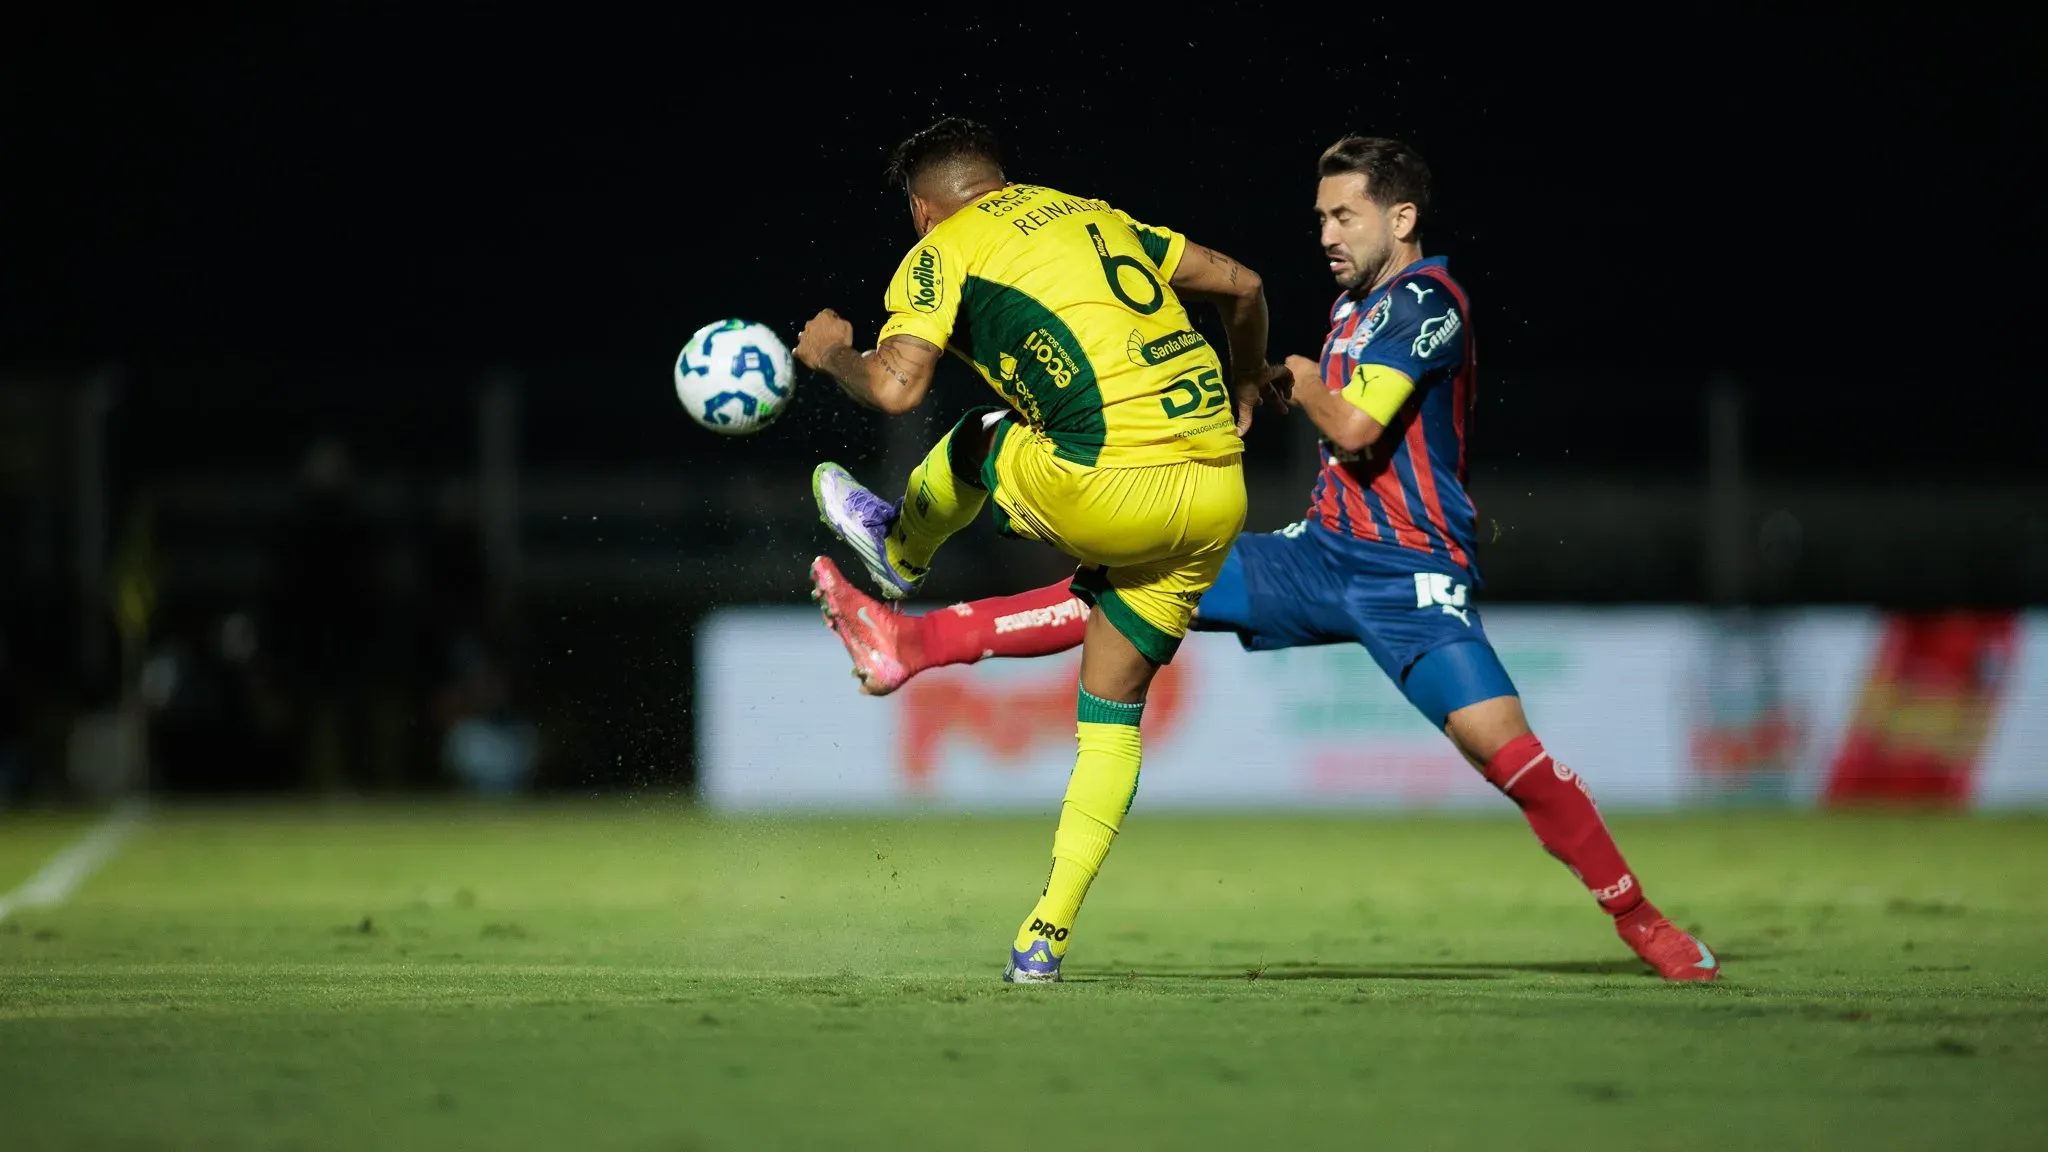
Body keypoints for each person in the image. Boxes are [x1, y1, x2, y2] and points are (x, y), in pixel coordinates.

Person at [808, 134, 1722, 982]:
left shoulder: (1430, 303)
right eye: (1321, 217)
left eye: (1344, 216)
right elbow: (1258, 310)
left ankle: (1643, 921)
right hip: (1316, 553)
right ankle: (917, 655)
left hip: (1409, 576)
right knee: (1115, 614)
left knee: (1504, 751)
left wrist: (1304, 380)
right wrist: (1262, 379)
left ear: (1401, 220)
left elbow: (1360, 424)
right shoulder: (1351, 305)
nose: (1324, 234)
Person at [792, 116, 1282, 983]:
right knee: (1111, 707)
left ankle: (900, 549)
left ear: (921, 207)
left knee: (981, 436)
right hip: (1218, 488)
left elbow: (899, 387)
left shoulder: (943, 249)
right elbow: (1244, 286)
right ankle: (1043, 940)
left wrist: (836, 355)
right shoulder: (1092, 214)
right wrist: (1247, 377)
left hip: (1110, 481)